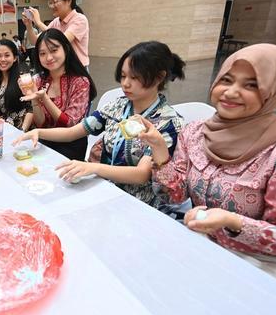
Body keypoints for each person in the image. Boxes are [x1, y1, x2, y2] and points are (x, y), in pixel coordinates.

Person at [139, 44, 276, 298]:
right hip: (211, 250)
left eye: (252, 85)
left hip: (266, 265)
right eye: (227, 80)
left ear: (274, 91)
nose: (231, 92)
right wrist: (158, 149)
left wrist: (233, 222)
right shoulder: (195, 132)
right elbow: (174, 196)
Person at [15, 40, 185, 207]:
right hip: (104, 188)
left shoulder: (168, 122)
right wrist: (39, 132)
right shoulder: (117, 106)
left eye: (135, 77)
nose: (125, 83)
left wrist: (94, 168)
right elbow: (74, 131)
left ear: (159, 78)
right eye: (123, 76)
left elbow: (141, 174)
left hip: (138, 202)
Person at [13, 29, 97, 161]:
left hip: (70, 146)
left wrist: (44, 98)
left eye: (54, 50)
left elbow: (69, 123)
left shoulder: (80, 82)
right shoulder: (39, 80)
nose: (49, 58)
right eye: (42, 53)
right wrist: (35, 100)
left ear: (66, 49)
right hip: (44, 140)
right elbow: (40, 124)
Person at [23, 0, 89, 69]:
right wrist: (29, 26)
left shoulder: (80, 19)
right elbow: (35, 41)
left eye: (55, 2)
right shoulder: (56, 21)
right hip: (61, 68)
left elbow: (61, 41)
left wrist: (38, 22)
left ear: (69, 1)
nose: (52, 6)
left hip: (77, 69)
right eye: (50, 2)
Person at [0, 39, 33, 131]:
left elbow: (31, 109)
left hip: (21, 129)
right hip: (2, 128)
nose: (3, 59)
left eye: (7, 55)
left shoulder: (23, 77)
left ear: (15, 58)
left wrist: (22, 131)